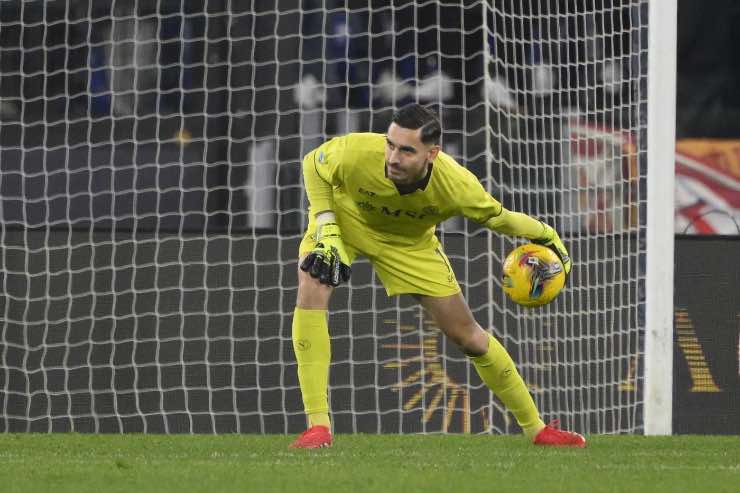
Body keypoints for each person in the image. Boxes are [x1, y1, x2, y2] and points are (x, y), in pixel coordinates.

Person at [290, 103, 585, 449]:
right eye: (390, 144)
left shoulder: (457, 184)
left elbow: (500, 218)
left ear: (432, 153)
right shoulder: (357, 151)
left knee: (469, 337)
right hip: (345, 222)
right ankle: (318, 426)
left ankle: (537, 429)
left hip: (410, 245)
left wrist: (546, 235)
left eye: (406, 150)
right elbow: (313, 163)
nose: (393, 157)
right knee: (313, 282)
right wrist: (325, 223)